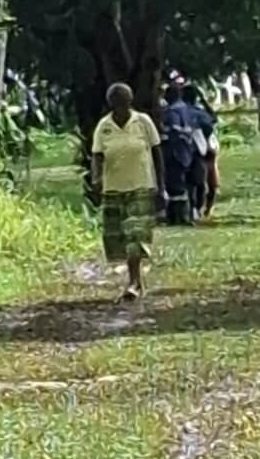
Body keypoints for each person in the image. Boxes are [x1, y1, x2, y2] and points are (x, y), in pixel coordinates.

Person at [89, 83, 164, 299]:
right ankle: (137, 281)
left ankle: (133, 283)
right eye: (115, 103)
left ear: (130, 102)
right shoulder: (104, 126)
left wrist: (160, 185)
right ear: (110, 104)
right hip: (113, 190)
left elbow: (156, 151)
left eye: (123, 102)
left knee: (136, 236)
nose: (120, 106)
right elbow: (97, 155)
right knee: (119, 239)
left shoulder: (143, 122)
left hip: (140, 186)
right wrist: (97, 179)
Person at [159, 79, 202, 225]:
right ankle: (188, 215)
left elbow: (172, 131)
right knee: (187, 186)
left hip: (174, 153)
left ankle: (177, 217)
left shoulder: (171, 112)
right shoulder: (188, 109)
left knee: (175, 186)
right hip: (188, 153)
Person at [185, 82, 220, 217]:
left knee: (193, 181)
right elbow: (211, 123)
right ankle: (203, 208)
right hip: (202, 149)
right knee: (208, 180)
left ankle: (195, 207)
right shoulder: (199, 113)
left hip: (184, 149)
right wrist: (204, 101)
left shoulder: (176, 110)